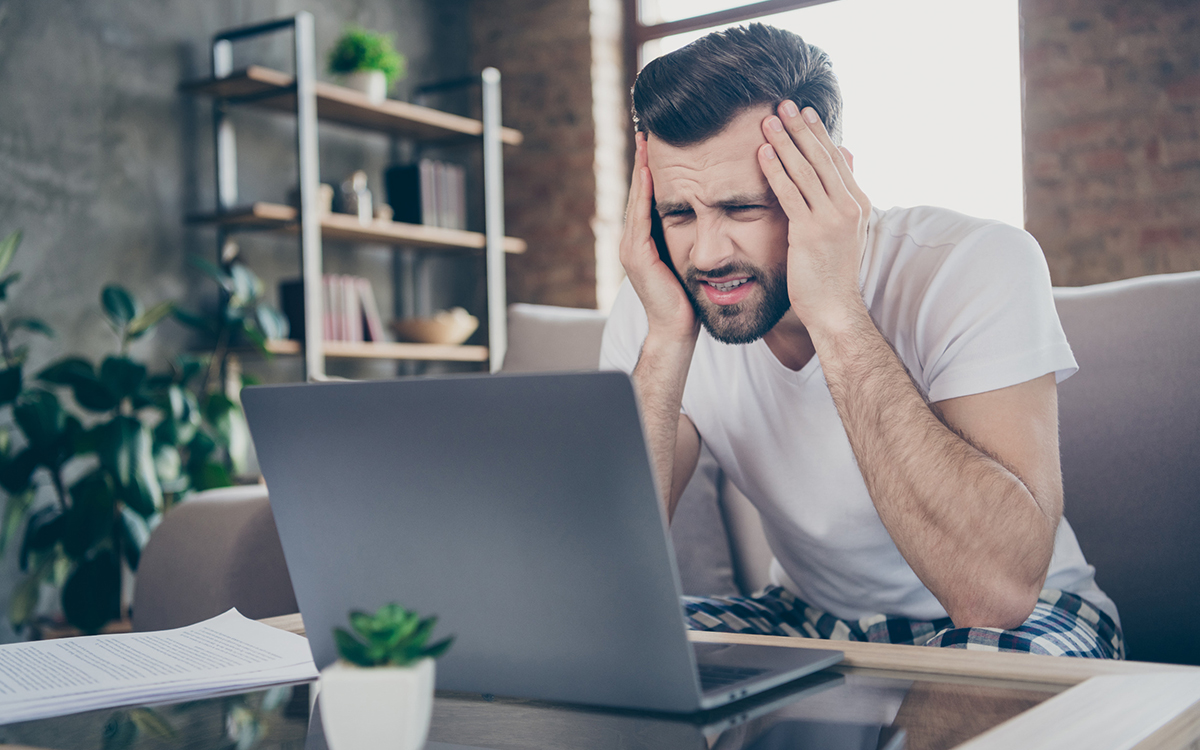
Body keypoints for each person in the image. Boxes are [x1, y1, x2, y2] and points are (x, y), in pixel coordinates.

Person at [599, 24, 1122, 657]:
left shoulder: (975, 263)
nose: (707, 254)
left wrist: (838, 314)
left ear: (832, 184)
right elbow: (604, 574)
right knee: (602, 647)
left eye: (743, 209)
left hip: (1027, 620)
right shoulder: (663, 300)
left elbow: (995, 594)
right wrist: (664, 342)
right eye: (678, 213)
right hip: (809, 615)